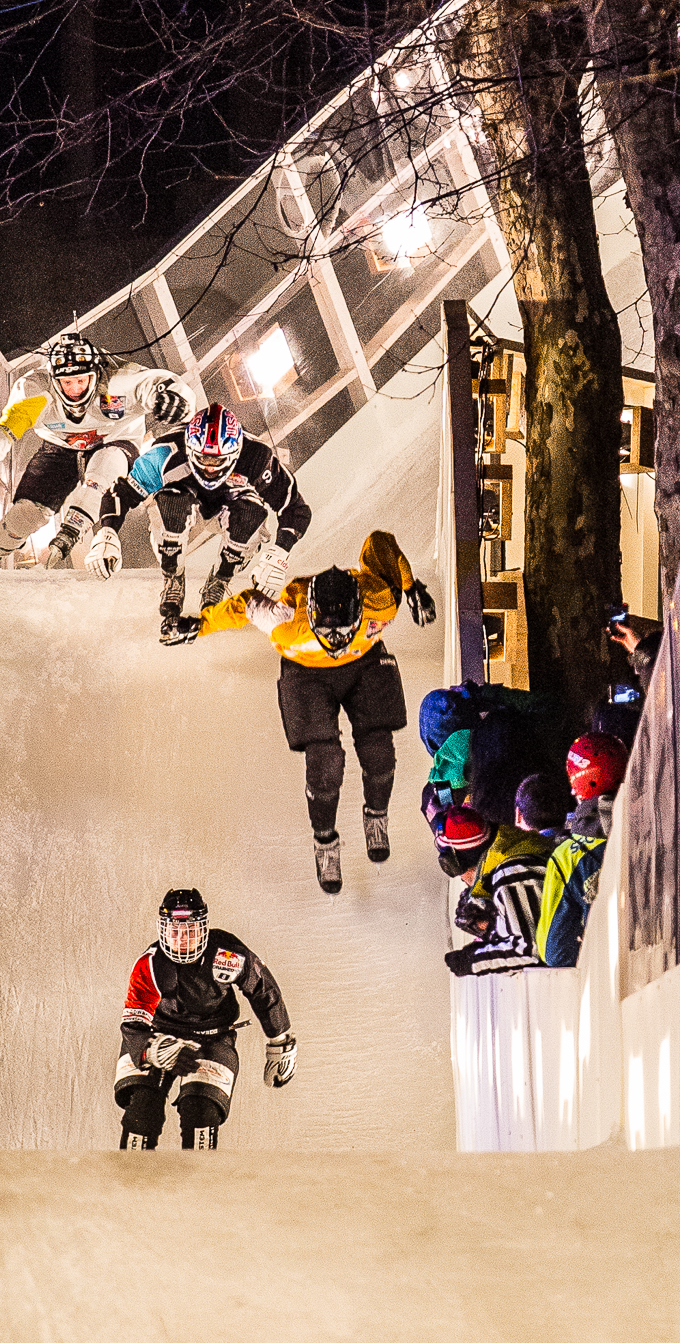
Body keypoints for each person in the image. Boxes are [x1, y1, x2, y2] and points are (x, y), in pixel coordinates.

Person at [161, 532, 436, 887]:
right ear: (310, 615)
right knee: (325, 762)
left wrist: (412, 586)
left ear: (360, 611)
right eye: (328, 630)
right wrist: (200, 624)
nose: (336, 641)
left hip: (356, 666)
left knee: (378, 750)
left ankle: (375, 814)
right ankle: (325, 841)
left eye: (343, 630)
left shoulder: (381, 601)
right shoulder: (286, 618)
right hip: (307, 674)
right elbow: (243, 606)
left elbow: (380, 543)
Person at [0, 334, 196, 568]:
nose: (75, 390)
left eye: (81, 380)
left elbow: (159, 383)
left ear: (97, 374)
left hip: (116, 441)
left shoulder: (120, 381)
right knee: (27, 512)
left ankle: (72, 531)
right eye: (67, 382)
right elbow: (13, 421)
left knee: (105, 467)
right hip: (60, 447)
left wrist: (177, 400)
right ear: (53, 379)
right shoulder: (37, 388)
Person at [85, 402, 312, 616]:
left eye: (217, 460)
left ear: (235, 452)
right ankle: (173, 577)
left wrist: (280, 555)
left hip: (233, 501)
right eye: (203, 458)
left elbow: (294, 507)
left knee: (249, 514)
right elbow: (123, 491)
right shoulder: (165, 454)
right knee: (171, 505)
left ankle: (220, 580)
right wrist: (107, 533)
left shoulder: (257, 457)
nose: (209, 468)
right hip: (182, 497)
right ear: (189, 448)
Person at [114, 888, 296, 1150]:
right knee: (141, 1111)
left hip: (213, 1038)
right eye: (175, 931)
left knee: (201, 1112)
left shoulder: (227, 954)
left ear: (204, 929)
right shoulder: (150, 964)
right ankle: (132, 1181)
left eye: (190, 931)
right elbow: (132, 1022)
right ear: (163, 930)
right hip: (158, 1033)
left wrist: (280, 1039)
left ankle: (200, 1182)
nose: (182, 939)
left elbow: (262, 987)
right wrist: (152, 1049)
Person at [536, 733, 628, 968]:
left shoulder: (566, 856)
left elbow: (553, 951)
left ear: (577, 782)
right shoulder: (657, 821)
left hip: (611, 974)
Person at [437, 806, 557, 976]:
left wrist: (470, 960)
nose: (460, 878)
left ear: (459, 861)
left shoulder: (511, 873)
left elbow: (526, 951)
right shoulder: (515, 847)